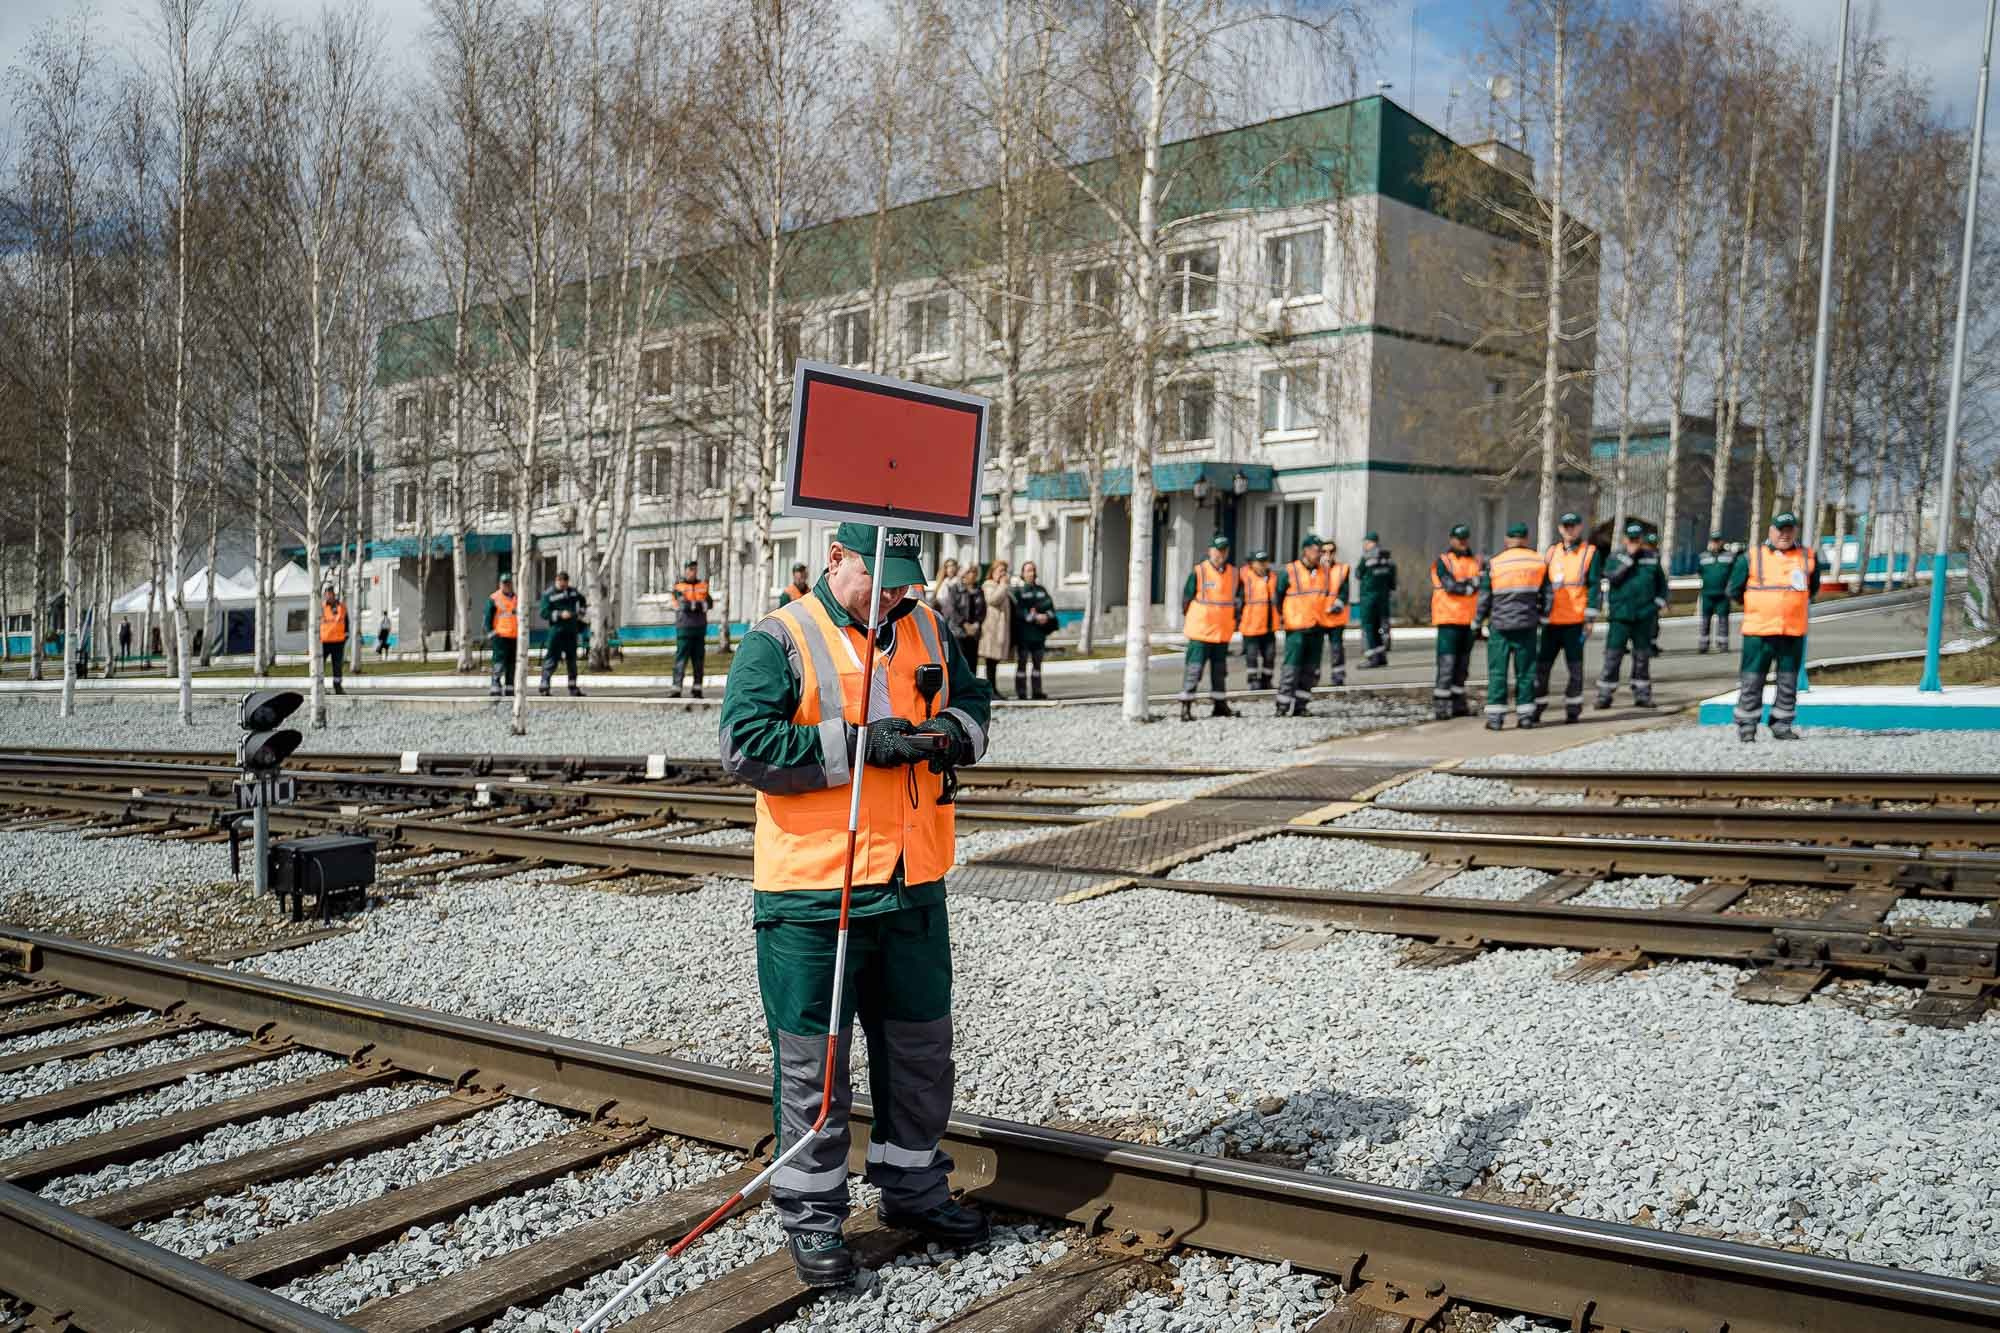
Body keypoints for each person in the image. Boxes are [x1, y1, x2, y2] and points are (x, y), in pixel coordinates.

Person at [719, 522, 993, 1287]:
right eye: (884, 577)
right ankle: (812, 1219)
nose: (898, 593)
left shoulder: (928, 622)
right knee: (818, 1068)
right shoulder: (780, 638)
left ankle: (914, 1189)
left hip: (912, 883)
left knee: (920, 1056)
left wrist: (950, 733)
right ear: (836, 558)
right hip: (814, 894)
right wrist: (860, 744)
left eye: (908, 577)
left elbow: (974, 702)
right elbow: (746, 745)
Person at [1729, 512, 1819, 742]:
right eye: (1780, 529)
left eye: (1789, 529)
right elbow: (1734, 590)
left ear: (1795, 531)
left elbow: (1813, 588)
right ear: (1771, 531)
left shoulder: (1808, 556)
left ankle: (1782, 724)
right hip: (1758, 632)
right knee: (1752, 680)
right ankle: (1747, 726)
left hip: (1792, 631)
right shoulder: (1751, 557)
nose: (1785, 534)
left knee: (1788, 681)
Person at [1476, 522, 1551, 730]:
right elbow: (1547, 594)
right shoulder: (1538, 562)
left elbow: (1485, 596)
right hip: (1527, 624)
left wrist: (1477, 621)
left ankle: (1495, 719)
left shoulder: (1495, 563)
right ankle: (1526, 716)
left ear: (1507, 540)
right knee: (1526, 671)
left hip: (1500, 626)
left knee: (1498, 671)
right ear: (1526, 539)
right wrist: (1544, 618)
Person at [1533, 512, 1599, 725]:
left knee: (1575, 668)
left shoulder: (1589, 552)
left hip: (1575, 622)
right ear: (1560, 528)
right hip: (1551, 623)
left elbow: (1594, 586)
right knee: (1542, 667)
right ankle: (1537, 706)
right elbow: (1543, 584)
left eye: (1573, 526)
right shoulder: (1552, 552)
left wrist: (1590, 619)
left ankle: (1573, 709)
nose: (1569, 530)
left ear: (1580, 528)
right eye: (1565, 526)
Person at [1596, 522, 1667, 709]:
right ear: (1625, 539)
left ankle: (1642, 694)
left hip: (1644, 615)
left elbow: (1661, 583)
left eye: (1637, 539)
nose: (1634, 543)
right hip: (1621, 616)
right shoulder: (1616, 557)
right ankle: (1605, 694)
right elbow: (1612, 578)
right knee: (1613, 655)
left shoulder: (1651, 558)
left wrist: (1658, 603)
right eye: (1631, 539)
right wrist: (1628, 559)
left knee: (1642, 657)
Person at [1179, 534, 1238, 721]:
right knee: (1194, 670)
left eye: (1224, 550)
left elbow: (1237, 600)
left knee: (1220, 672)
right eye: (1217, 550)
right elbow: (1186, 599)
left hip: (1222, 632)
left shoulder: (1234, 574)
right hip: (1201, 632)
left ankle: (1220, 705)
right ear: (1210, 551)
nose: (1221, 554)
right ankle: (1186, 707)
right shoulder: (1199, 572)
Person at [1273, 534, 1328, 716]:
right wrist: (1285, 616)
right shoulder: (1289, 571)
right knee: (1291, 668)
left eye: (1320, 551)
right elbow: (1278, 597)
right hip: (1296, 629)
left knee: (1310, 670)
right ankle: (1282, 706)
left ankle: (1301, 706)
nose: (1318, 554)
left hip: (1317, 627)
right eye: (1315, 550)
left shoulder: (1322, 572)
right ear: (1305, 550)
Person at [1430, 525, 1480, 721]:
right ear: (1451, 539)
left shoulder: (1474, 561)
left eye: (1465, 538)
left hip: (1468, 621)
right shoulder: (1444, 561)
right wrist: (1469, 587)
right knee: (1447, 664)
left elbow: (1480, 584)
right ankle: (1441, 706)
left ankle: (1459, 704)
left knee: (1462, 666)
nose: (1462, 541)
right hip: (1448, 620)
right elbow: (1451, 587)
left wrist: (1467, 587)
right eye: (1459, 538)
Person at [539, 570, 589, 697]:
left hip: (571, 631)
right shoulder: (549, 594)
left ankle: (573, 687)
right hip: (556, 631)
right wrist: (560, 614)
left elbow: (582, 600)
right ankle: (545, 684)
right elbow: (544, 613)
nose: (564, 585)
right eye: (561, 582)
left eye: (566, 582)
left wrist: (581, 612)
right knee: (552, 658)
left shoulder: (572, 591)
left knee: (572, 660)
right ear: (557, 580)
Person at [1011, 561, 1054, 700]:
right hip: (1024, 635)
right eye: (1028, 570)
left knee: (1037, 665)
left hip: (1039, 635)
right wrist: (1032, 616)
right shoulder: (1019, 591)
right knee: (1022, 664)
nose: (1032, 573)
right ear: (1023, 573)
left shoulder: (1042, 590)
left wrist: (1046, 616)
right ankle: (1021, 692)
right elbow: (1018, 611)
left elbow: (1051, 608)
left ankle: (1037, 691)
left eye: (1033, 570)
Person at [1238, 550, 1277, 695]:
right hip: (1251, 625)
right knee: (1252, 655)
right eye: (1259, 562)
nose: (1262, 565)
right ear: (1252, 564)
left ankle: (1267, 680)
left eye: (1265, 561)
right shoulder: (1244, 576)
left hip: (1269, 625)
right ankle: (1253, 680)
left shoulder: (1273, 577)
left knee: (1270, 654)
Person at [672, 560, 713, 699]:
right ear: (685, 570)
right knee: (681, 660)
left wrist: (695, 605)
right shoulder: (679, 586)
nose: (692, 572)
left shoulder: (703, 586)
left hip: (699, 629)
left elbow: (709, 603)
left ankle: (697, 689)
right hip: (684, 629)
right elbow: (683, 605)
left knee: (699, 661)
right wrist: (698, 605)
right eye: (690, 569)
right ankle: (676, 688)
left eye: (694, 569)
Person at [1356, 532, 1396, 668]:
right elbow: (1392, 579)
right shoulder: (1387, 557)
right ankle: (1381, 656)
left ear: (1372, 542)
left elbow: (1358, 573)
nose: (1365, 545)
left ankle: (1372, 657)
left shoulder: (1366, 558)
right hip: (1383, 598)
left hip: (1369, 598)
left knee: (1369, 628)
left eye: (1366, 542)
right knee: (1378, 627)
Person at [1318, 541, 1352, 687]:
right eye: (1324, 551)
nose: (1327, 555)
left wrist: (1337, 604)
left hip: (1335, 615)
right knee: (1315, 649)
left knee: (1336, 647)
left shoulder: (1342, 569)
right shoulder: (1314, 570)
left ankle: (1338, 676)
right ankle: (1312, 676)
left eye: (1331, 551)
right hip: (1318, 616)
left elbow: (1345, 591)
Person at [940, 562, 986, 669]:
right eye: (970, 572)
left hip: (974, 633)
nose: (972, 574)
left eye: (975, 572)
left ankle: (971, 685)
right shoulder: (955, 589)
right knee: (960, 664)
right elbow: (951, 609)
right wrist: (964, 624)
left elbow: (983, 610)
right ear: (963, 574)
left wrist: (977, 624)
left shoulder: (979, 590)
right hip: (958, 632)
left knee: (972, 664)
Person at [978, 559, 1014, 691]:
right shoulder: (988, 585)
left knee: (995, 662)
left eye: (1004, 571)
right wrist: (1003, 585)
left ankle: (994, 689)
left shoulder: (1003, 588)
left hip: (1000, 629)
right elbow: (992, 600)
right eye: (1000, 571)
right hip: (990, 630)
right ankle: (990, 690)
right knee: (990, 662)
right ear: (992, 572)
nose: (1003, 574)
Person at [1697, 531, 1733, 653]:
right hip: (1707, 594)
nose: (1716, 543)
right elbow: (1700, 572)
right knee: (1705, 620)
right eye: (1714, 541)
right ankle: (1703, 644)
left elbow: (1733, 573)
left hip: (1723, 594)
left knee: (1723, 619)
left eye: (1718, 541)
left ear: (1721, 542)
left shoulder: (1729, 556)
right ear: (1710, 542)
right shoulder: (1703, 557)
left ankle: (1723, 644)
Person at [486, 573, 520, 697]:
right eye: (504, 583)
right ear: (500, 584)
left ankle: (510, 686)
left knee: (511, 662)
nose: (507, 586)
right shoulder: (495, 598)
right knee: (499, 661)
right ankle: (495, 683)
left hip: (514, 635)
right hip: (500, 635)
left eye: (508, 583)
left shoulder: (516, 598)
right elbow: (488, 617)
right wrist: (491, 632)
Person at [319, 585, 348, 695]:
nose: (329, 595)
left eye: (330, 593)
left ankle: (337, 686)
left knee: (337, 666)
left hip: (338, 642)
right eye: (327, 593)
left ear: (334, 594)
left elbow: (346, 622)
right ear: (324, 595)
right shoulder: (321, 608)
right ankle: (320, 687)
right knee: (320, 666)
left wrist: (346, 635)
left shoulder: (341, 606)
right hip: (324, 641)